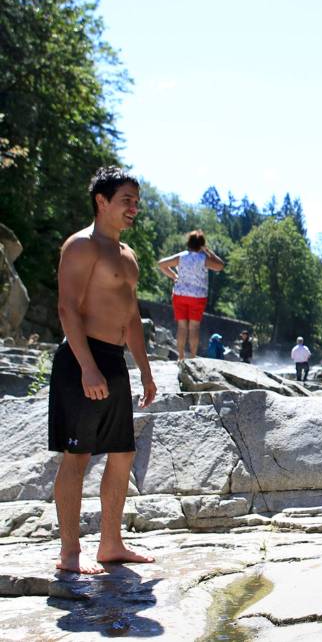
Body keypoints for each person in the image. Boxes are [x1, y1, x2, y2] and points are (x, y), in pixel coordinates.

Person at [49, 166, 158, 574]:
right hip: (82, 359)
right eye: (126, 200)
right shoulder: (81, 246)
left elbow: (131, 318)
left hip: (113, 361)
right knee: (76, 456)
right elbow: (67, 308)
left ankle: (111, 544)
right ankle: (70, 553)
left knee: (123, 453)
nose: (134, 208)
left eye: (137, 201)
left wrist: (145, 371)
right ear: (102, 201)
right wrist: (87, 367)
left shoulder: (128, 255)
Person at [157, 230, 225, 360]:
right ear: (202, 244)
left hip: (180, 295)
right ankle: (193, 357)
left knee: (182, 327)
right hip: (198, 297)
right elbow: (220, 266)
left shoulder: (181, 256)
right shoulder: (204, 259)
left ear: (188, 242)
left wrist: (174, 276)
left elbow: (161, 264)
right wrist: (209, 252)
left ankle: (181, 357)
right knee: (194, 327)